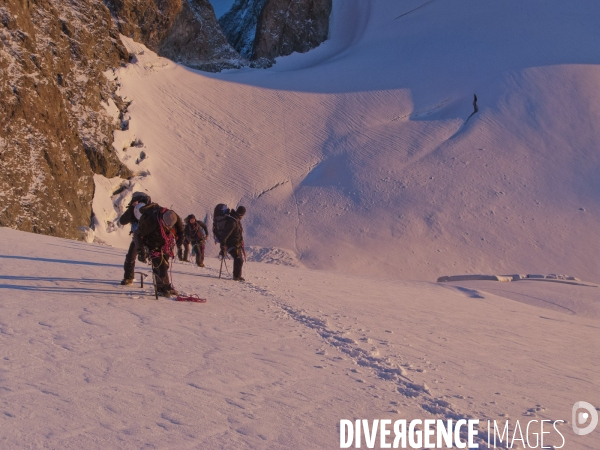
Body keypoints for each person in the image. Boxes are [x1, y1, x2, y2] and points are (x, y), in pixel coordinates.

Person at [133, 202, 184, 297]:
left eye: (170, 226)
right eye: (167, 225)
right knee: (160, 266)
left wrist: (180, 241)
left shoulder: (174, 217)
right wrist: (141, 251)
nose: (169, 227)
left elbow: (180, 230)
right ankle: (160, 287)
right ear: (162, 219)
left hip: (165, 243)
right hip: (152, 243)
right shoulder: (151, 221)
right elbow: (137, 234)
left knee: (165, 265)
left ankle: (166, 286)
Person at [118, 191, 151, 285]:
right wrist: (131, 209)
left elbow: (123, 221)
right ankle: (162, 283)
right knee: (131, 256)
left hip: (142, 238)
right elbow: (123, 221)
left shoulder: (149, 209)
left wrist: (131, 208)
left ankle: (128, 278)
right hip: (144, 238)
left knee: (130, 257)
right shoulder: (147, 208)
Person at [213, 205, 246, 281]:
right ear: (242, 214)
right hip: (230, 244)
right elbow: (225, 234)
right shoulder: (233, 222)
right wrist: (223, 245)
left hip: (236, 244)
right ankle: (236, 277)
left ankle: (237, 276)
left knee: (239, 260)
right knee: (238, 260)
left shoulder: (236, 220)